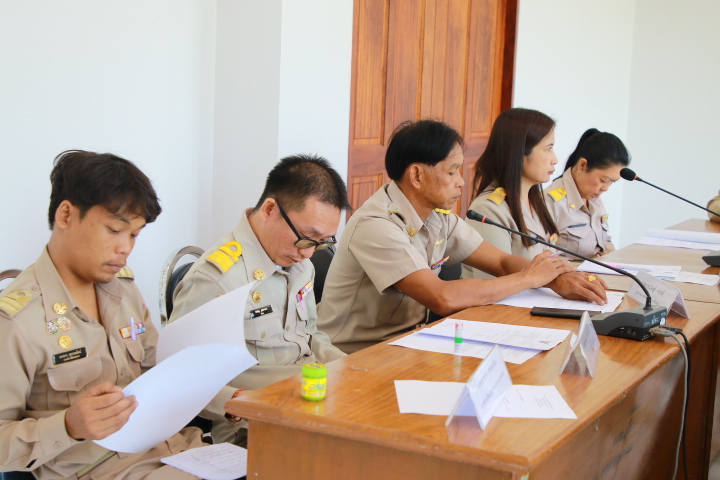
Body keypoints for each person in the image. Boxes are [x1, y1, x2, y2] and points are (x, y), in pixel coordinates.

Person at [0, 151, 216, 480]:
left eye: (134, 235)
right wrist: (67, 427)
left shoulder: (123, 291)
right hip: (103, 469)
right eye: (115, 229)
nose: (125, 248)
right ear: (66, 215)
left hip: (178, 450)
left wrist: (231, 386)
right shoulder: (17, 321)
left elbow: (160, 373)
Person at [317, 120, 607, 354]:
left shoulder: (438, 216)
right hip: (352, 355)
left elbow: (502, 262)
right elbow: (441, 297)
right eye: (452, 172)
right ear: (417, 176)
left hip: (409, 344)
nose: (461, 182)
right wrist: (530, 278)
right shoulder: (376, 225)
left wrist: (556, 278)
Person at [170, 154, 349, 442]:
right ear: (269, 209)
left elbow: (310, 336)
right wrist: (240, 402)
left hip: (311, 398)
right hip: (252, 422)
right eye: (306, 237)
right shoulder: (217, 279)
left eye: (322, 242)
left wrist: (352, 368)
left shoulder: (300, 264)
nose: (308, 253)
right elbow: (179, 376)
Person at [463, 108, 563, 280]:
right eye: (548, 149)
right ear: (519, 152)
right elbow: (494, 286)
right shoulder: (488, 209)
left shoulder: (536, 202)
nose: (555, 159)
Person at [544, 129, 630, 257]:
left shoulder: (594, 198)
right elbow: (544, 258)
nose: (606, 188)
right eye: (604, 180)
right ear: (582, 165)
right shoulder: (550, 202)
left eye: (612, 182)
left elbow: (605, 243)